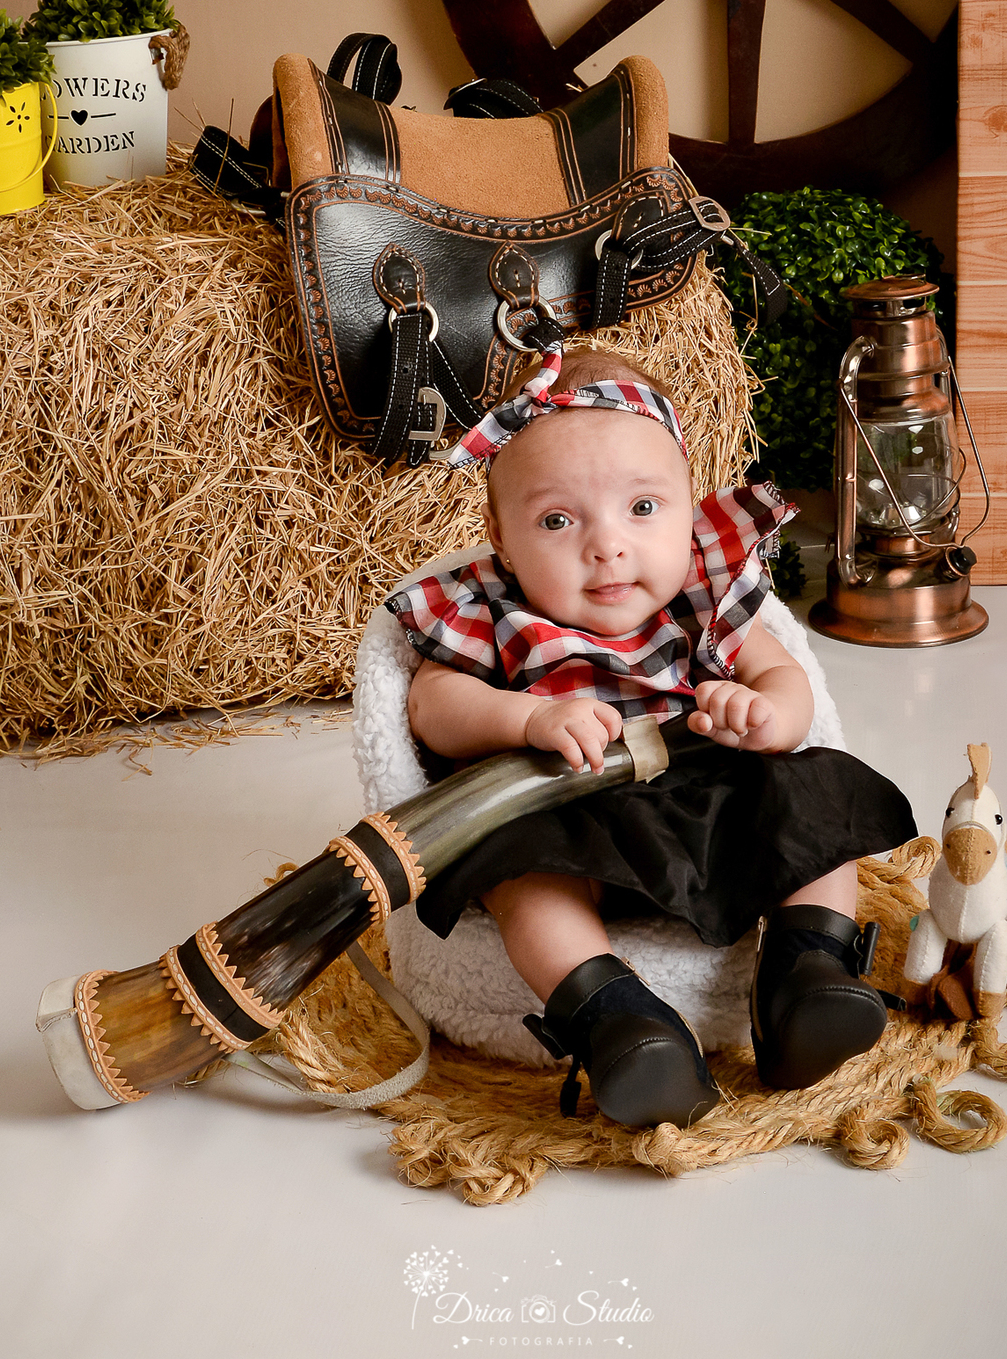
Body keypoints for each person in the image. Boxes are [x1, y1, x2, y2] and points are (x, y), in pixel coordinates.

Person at [386, 340, 917, 1127]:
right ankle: (617, 1019)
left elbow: (787, 683)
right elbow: (432, 706)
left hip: (714, 796)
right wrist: (528, 716)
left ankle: (808, 974)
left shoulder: (705, 595)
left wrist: (764, 714)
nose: (608, 545)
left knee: (819, 795)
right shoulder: (492, 612)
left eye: (642, 508)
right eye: (559, 519)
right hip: (571, 814)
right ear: (501, 540)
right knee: (518, 876)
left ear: (686, 504)